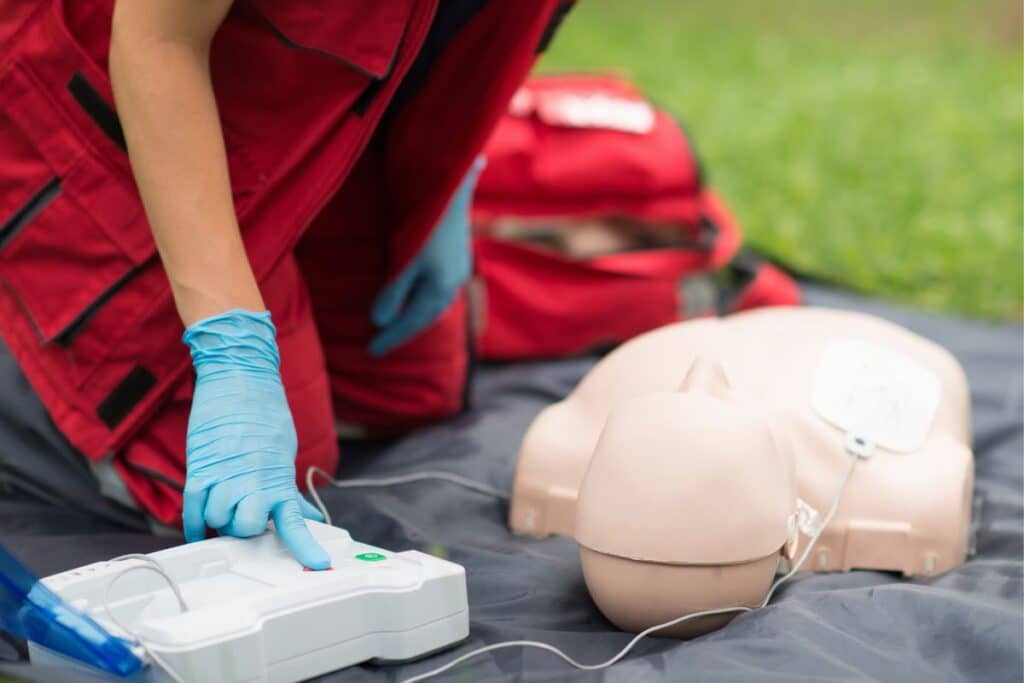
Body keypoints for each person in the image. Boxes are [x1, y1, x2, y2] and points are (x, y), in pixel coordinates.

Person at [0, 0, 572, 567]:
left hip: (302, 103)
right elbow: (158, 40)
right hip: (105, 92)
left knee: (410, 389)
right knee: (228, 501)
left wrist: (456, 174)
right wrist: (231, 346)